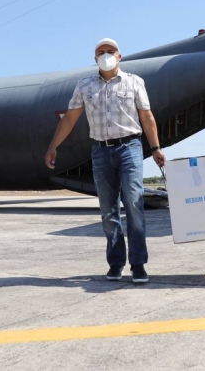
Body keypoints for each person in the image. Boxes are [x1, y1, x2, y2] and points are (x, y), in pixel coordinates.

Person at [45, 38, 166, 285]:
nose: (106, 54)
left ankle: (139, 264)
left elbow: (147, 116)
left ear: (120, 56)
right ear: (95, 59)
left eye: (111, 51)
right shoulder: (84, 85)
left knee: (134, 203)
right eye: (101, 52)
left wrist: (155, 148)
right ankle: (115, 263)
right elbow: (69, 118)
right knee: (108, 210)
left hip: (130, 147)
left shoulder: (134, 82)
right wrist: (53, 146)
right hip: (101, 151)